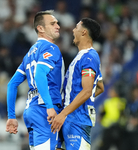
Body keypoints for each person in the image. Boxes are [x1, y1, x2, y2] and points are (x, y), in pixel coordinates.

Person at [5, 10, 64, 150]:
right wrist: (49, 106)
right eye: (53, 23)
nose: (58, 26)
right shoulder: (51, 48)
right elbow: (39, 75)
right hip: (45, 111)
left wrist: (11, 116)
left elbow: (12, 84)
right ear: (40, 28)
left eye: (57, 23)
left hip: (31, 110)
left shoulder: (29, 54)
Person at [51, 18, 104, 150]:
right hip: (70, 116)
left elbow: (87, 91)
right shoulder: (83, 57)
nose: (73, 31)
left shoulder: (89, 57)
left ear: (84, 32)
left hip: (77, 119)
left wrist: (64, 113)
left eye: (76, 28)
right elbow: (100, 87)